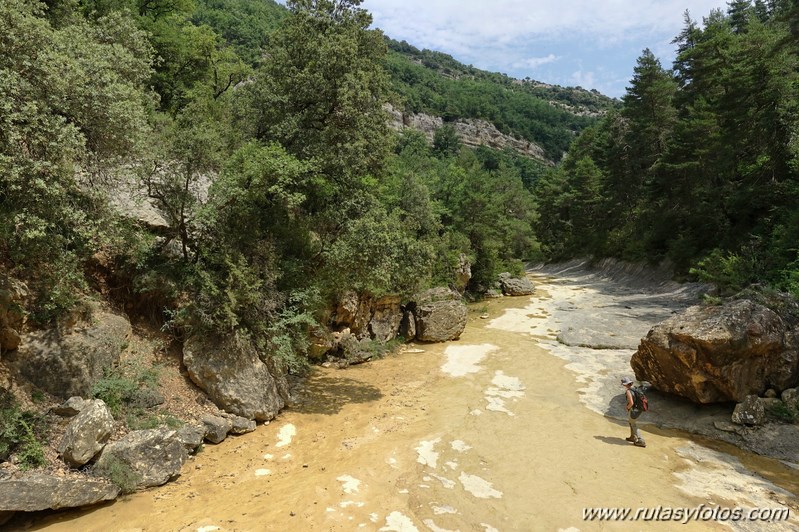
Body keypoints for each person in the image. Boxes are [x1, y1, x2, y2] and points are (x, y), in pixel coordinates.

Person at [622, 377, 646, 447]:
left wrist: (627, 408)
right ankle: (632, 437)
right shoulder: (636, 388)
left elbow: (631, 403)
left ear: (625, 384)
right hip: (639, 409)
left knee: (633, 424)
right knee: (631, 422)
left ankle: (641, 440)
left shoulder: (628, 391)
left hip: (634, 410)